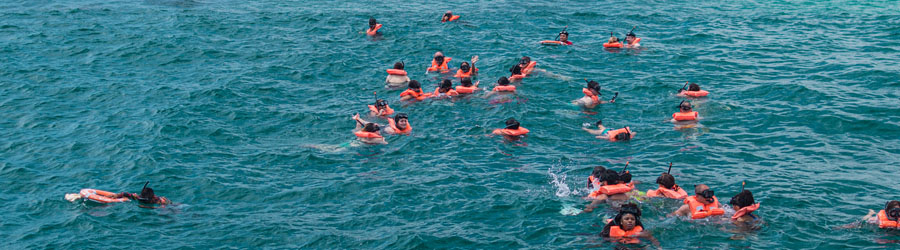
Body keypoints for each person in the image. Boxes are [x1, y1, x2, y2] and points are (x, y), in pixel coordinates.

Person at [65, 182, 172, 207]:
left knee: (116, 198)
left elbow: (124, 194)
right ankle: (79, 196)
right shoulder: (158, 201)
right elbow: (124, 194)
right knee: (115, 198)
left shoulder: (138, 198)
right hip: (131, 202)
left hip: (133, 202)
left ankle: (79, 197)